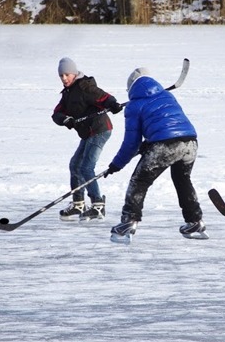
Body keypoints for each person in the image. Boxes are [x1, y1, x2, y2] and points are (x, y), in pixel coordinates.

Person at [106, 67, 207, 244]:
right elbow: (164, 122)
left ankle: (128, 222)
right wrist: (149, 145)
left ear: (131, 89)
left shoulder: (134, 106)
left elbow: (131, 143)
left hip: (166, 144)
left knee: (139, 181)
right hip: (191, 141)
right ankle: (194, 222)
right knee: (183, 180)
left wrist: (116, 165)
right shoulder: (167, 96)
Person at [52, 57, 123, 222]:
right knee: (75, 164)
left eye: (67, 74)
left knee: (86, 167)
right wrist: (65, 119)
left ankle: (98, 205)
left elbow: (105, 98)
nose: (64, 78)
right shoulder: (68, 93)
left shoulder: (85, 87)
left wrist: (114, 105)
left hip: (99, 130)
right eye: (61, 75)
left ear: (74, 73)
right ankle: (78, 204)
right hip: (87, 133)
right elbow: (56, 113)